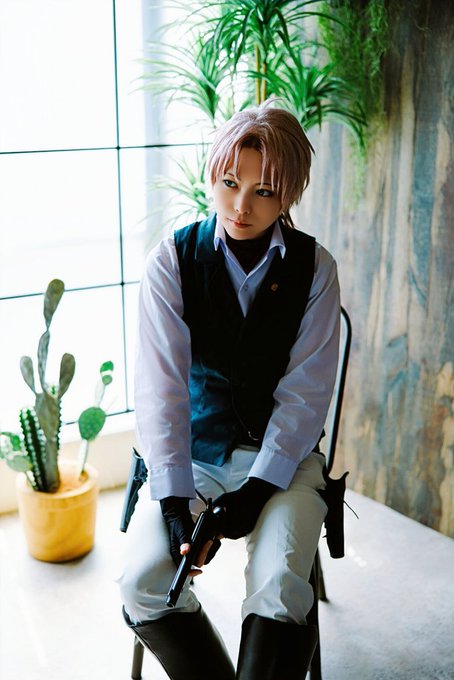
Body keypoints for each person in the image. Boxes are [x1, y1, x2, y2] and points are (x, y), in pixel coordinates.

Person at [118, 101, 340, 680]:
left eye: (264, 191)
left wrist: (258, 489)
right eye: (229, 183)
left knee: (279, 585)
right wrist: (173, 502)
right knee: (141, 584)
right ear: (212, 175)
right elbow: (162, 391)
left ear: (288, 194)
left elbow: (305, 395)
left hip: (283, 459)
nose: (241, 206)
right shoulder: (171, 261)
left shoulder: (316, 269)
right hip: (196, 455)